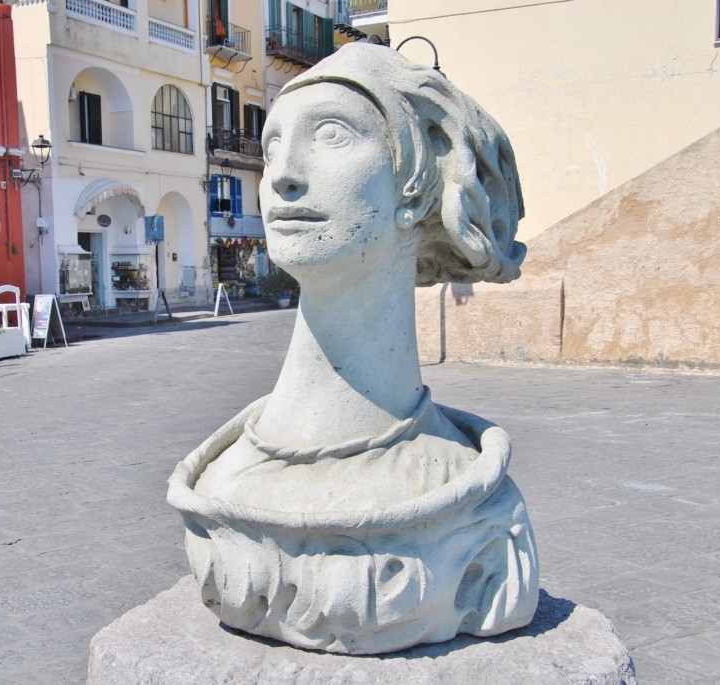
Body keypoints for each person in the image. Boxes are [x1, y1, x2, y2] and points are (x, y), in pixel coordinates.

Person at [168, 43, 537, 654]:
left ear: (416, 188)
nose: (282, 175)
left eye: (332, 134)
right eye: (273, 146)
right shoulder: (220, 474)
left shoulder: (473, 510)